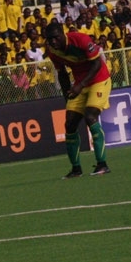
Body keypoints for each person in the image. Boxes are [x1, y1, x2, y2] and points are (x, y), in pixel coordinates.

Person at [43, 22, 111, 179]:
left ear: (63, 34)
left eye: (55, 38)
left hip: (99, 79)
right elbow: (62, 73)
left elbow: (96, 64)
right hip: (80, 84)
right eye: (49, 39)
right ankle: (76, 169)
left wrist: (80, 85)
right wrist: (67, 96)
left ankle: (102, 164)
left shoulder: (80, 40)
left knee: (90, 116)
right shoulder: (53, 51)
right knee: (70, 123)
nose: (53, 41)